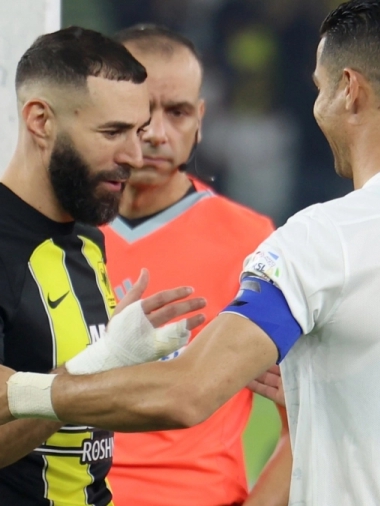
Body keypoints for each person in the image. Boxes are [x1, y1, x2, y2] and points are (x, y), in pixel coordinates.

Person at [0, 2, 380, 505]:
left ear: (349, 91)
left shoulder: (327, 238)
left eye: (317, 89)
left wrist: (15, 393)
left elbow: (189, 391)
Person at [0, 26, 206, 506]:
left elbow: (91, 415)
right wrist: (100, 362)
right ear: (40, 121)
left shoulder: (88, 237)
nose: (134, 155)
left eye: (137, 131)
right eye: (112, 132)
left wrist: (125, 364)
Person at [100, 24, 291, 506]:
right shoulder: (52, 233)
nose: (157, 134)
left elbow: (306, 421)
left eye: (178, 112)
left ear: (200, 120)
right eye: (141, 112)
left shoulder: (253, 244)